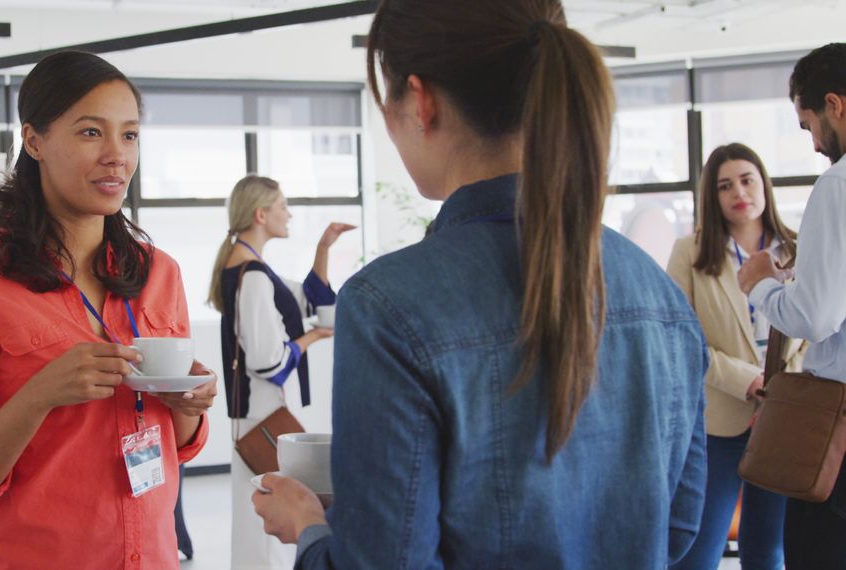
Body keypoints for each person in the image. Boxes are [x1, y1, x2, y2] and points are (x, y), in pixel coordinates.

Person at [252, 1, 708, 568]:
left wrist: (311, 532)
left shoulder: (388, 306)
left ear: (420, 102)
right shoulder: (659, 295)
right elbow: (681, 524)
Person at [0, 51, 217, 569]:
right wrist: (39, 396)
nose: (117, 156)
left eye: (130, 134)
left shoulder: (159, 274)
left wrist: (190, 406)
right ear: (34, 141)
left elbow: (176, 444)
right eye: (90, 133)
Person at [206, 174, 354, 569]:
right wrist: (313, 339)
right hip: (262, 414)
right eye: (283, 206)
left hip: (254, 414)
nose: (289, 214)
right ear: (260, 214)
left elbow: (305, 297)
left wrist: (323, 248)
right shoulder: (252, 276)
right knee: (267, 523)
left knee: (259, 521)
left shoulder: (249, 268)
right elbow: (268, 362)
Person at [667, 143, 802, 570]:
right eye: (725, 186)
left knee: (768, 551)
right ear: (713, 196)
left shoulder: (801, 248)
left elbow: (819, 333)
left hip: (786, 420)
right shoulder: (690, 252)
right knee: (698, 552)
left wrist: (781, 394)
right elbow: (680, 339)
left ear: (764, 183)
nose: (738, 192)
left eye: (747, 179)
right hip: (719, 422)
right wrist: (747, 379)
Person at [738, 42, 846, 569]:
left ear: (835, 105)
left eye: (808, 126)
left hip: (838, 425)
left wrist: (761, 284)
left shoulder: (839, 185)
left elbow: (817, 317)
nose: (815, 144)